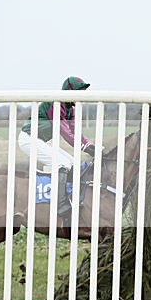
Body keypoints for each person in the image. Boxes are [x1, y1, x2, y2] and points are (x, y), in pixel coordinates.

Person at [17, 76, 95, 217]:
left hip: (40, 140)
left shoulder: (70, 108)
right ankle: (60, 204)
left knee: (73, 163)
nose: (81, 97)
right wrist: (84, 148)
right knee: (63, 163)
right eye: (79, 92)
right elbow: (64, 131)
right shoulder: (56, 104)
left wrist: (88, 144)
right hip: (28, 139)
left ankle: (69, 197)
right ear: (69, 91)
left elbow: (75, 130)